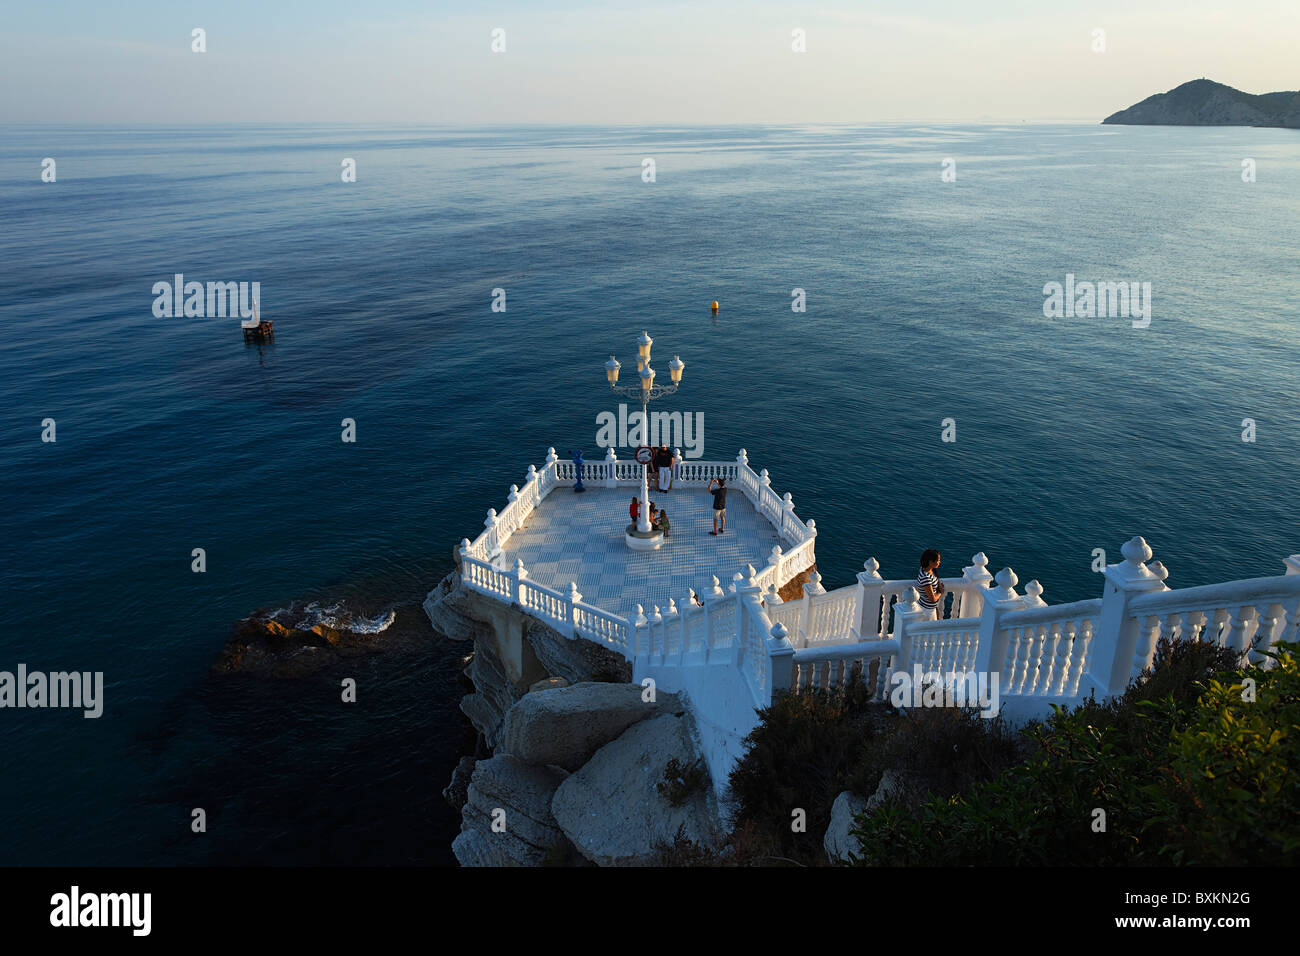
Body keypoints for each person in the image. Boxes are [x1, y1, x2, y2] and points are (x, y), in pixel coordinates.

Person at [915, 549, 944, 620]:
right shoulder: (925, 578)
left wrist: (939, 585)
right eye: (938, 560)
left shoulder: (928, 569)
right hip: (927, 610)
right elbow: (932, 599)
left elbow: (935, 577)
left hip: (931, 608)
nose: (939, 562)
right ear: (931, 562)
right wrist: (940, 592)